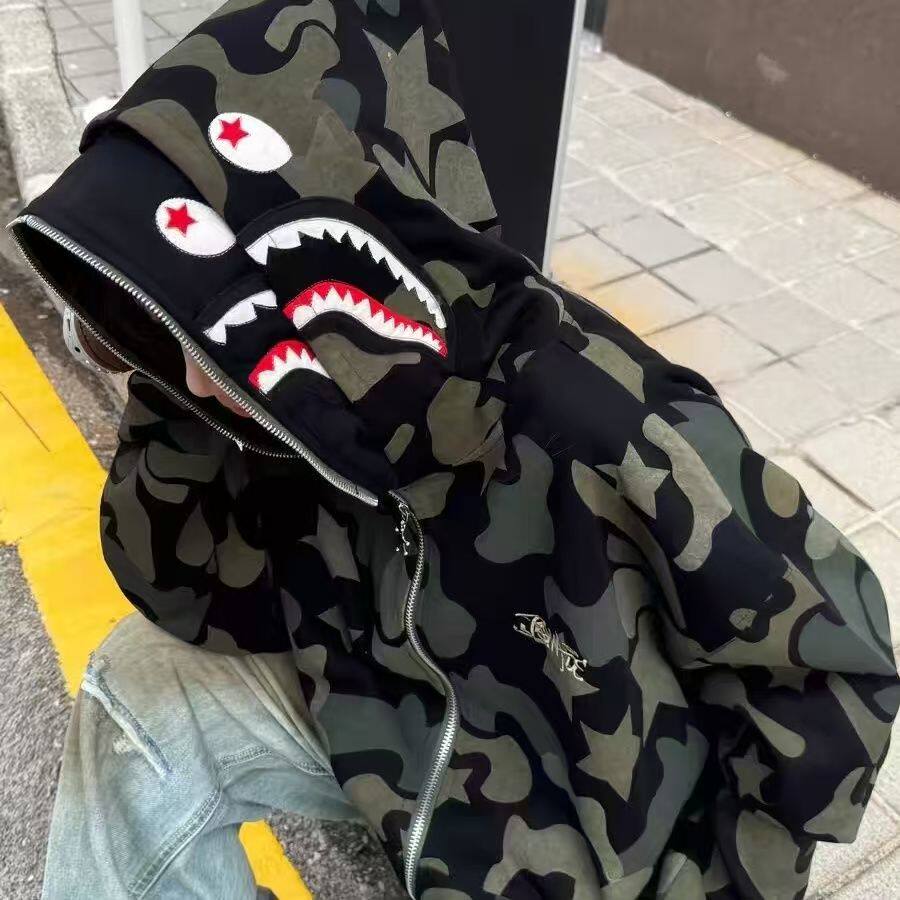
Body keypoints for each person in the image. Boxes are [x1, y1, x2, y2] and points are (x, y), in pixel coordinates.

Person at [11, 1, 898, 898]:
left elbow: (839, 668)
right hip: (376, 722)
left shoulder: (603, 423)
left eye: (222, 340)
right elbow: (189, 598)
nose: (203, 383)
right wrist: (168, 356)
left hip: (577, 842)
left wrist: (712, 882)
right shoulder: (282, 404)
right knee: (139, 688)